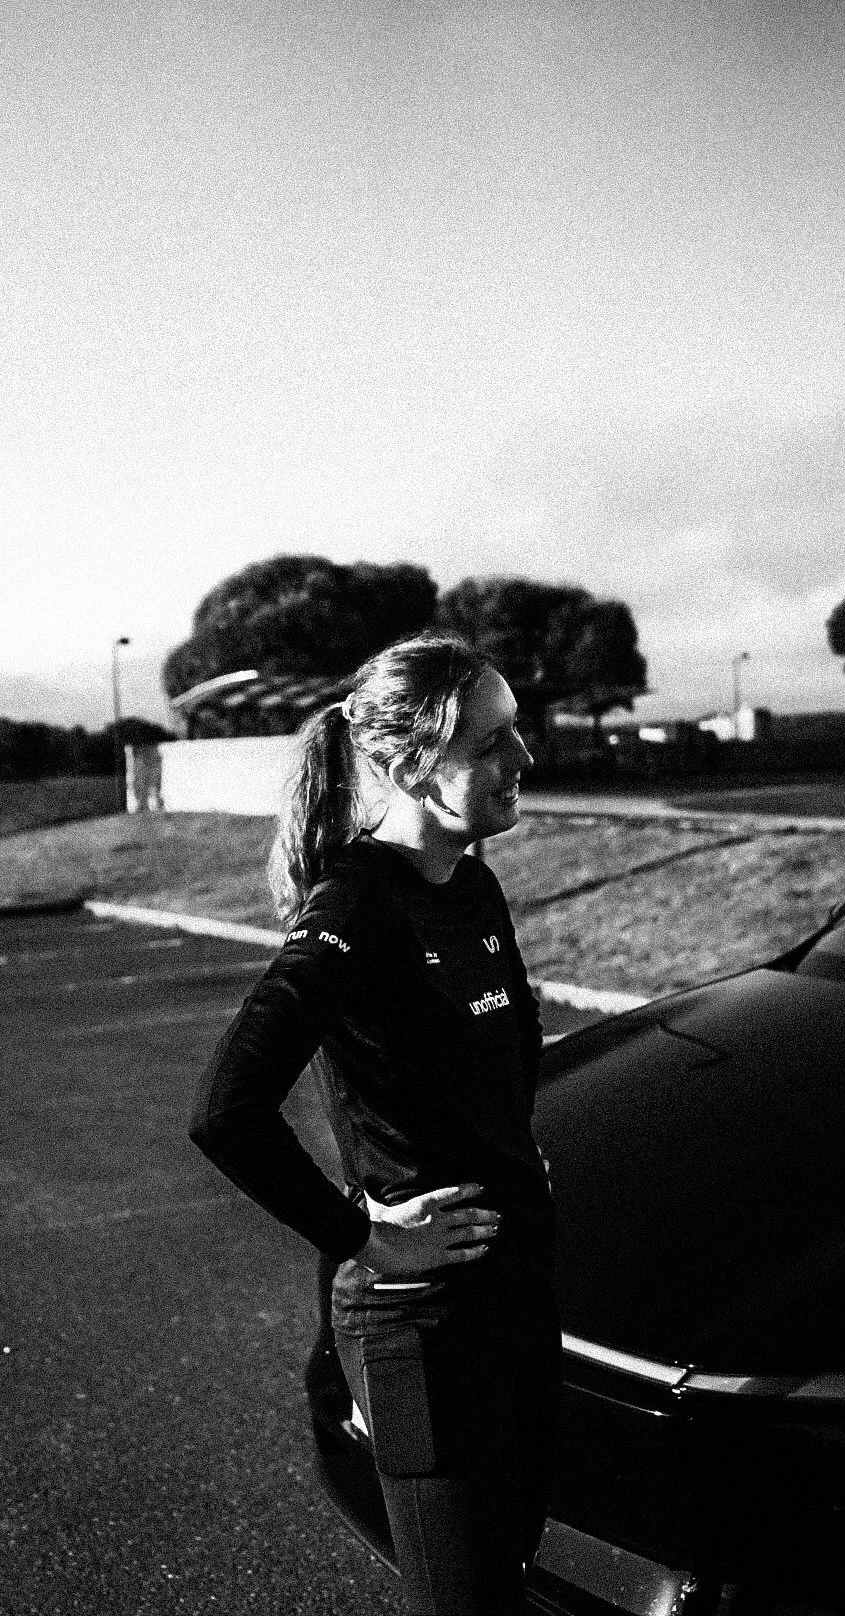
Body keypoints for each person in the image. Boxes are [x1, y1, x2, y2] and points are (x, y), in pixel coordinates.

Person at [189, 632, 561, 1616]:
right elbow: (226, 1109)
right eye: (490, 743)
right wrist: (364, 1233)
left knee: (514, 1570)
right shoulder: (355, 899)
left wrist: (518, 1159)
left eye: (516, 732)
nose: (522, 759)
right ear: (409, 765)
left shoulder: (473, 883)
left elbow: (500, 1064)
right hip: (425, 1321)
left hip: (516, 1293)